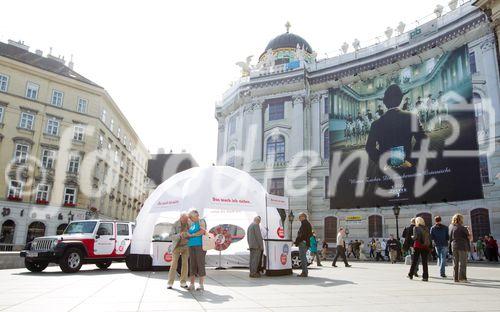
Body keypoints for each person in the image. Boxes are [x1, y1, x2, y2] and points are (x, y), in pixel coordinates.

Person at [366, 84, 426, 169]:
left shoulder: (375, 124)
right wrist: (411, 161)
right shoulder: (412, 117)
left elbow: (369, 147)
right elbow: (423, 140)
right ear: (401, 100)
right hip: (408, 169)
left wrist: (383, 163)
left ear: (385, 103)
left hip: (386, 172)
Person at [167, 213, 190, 289]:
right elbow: (170, 236)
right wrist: (179, 235)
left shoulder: (189, 223)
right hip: (176, 247)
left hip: (186, 246)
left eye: (187, 220)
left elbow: (192, 234)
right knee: (174, 264)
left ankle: (183, 282)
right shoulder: (175, 224)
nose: (186, 221)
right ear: (180, 218)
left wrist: (188, 235)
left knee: (185, 264)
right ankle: (170, 283)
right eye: (184, 220)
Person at [187, 210, 207, 291]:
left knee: (200, 264)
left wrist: (192, 235)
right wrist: (187, 235)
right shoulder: (192, 224)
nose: (190, 219)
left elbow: (202, 231)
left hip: (200, 245)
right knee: (192, 264)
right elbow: (190, 233)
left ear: (196, 216)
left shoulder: (201, 221)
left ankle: (201, 284)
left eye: (191, 217)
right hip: (191, 245)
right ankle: (192, 284)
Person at [449, 213, 472, 283]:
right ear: (461, 219)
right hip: (462, 246)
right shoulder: (463, 228)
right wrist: (469, 230)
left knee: (455, 262)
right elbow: (470, 238)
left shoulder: (451, 227)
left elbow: (449, 237)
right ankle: (462, 278)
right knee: (462, 263)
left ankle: (455, 278)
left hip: (454, 245)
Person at [408, 217, 431, 282]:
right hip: (425, 246)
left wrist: (412, 237)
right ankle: (425, 277)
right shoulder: (426, 228)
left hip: (418, 246)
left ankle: (410, 274)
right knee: (424, 262)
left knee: (415, 261)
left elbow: (415, 237)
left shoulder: (416, 228)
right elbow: (429, 237)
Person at [294, 212, 312, 277]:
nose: (299, 218)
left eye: (300, 217)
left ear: (303, 217)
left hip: (303, 243)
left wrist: (296, 241)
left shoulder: (304, 224)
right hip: (305, 242)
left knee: (302, 257)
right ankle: (305, 272)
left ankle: (304, 272)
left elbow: (302, 235)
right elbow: (310, 234)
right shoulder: (307, 223)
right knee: (303, 257)